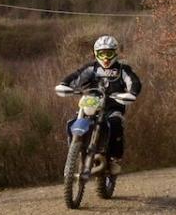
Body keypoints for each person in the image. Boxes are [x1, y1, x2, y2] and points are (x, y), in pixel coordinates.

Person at [59, 35, 141, 175]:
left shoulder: (123, 69)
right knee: (72, 121)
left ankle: (114, 159)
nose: (106, 58)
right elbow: (77, 76)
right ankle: (75, 148)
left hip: (113, 106)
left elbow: (133, 81)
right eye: (102, 54)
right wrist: (64, 84)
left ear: (115, 53)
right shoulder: (91, 68)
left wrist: (132, 93)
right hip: (91, 103)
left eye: (109, 53)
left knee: (116, 123)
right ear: (96, 53)